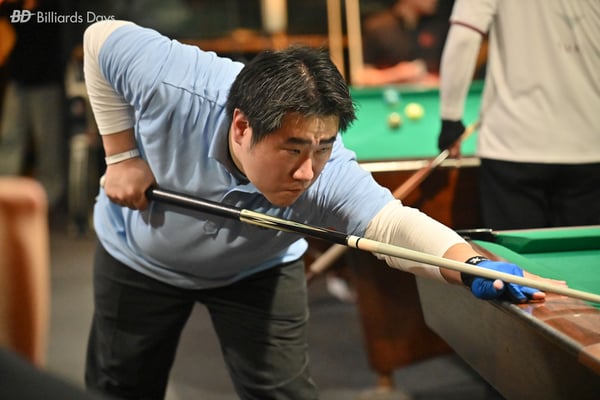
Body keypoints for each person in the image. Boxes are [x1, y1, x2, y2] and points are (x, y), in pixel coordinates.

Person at [83, 20, 550, 400]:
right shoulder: (176, 81)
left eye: (322, 148)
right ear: (241, 128)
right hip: (140, 257)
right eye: (292, 150)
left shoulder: (328, 173)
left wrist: (471, 264)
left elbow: (391, 224)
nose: (308, 172)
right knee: (120, 388)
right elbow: (98, 39)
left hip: (257, 270)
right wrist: (122, 156)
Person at [438, 0, 600, 230]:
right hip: (591, 148)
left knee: (512, 253)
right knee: (582, 254)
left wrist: (450, 119)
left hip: (513, 146)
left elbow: (463, 39)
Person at [0, 0, 66, 213]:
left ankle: (49, 200)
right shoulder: (12, 7)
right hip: (18, 80)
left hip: (46, 82)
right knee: (9, 138)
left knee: (48, 142)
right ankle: (4, 193)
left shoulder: (52, 7)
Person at [355, 0, 449, 86]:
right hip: (389, 96)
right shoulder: (379, 28)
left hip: (431, 96)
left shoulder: (440, 27)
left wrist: (432, 80)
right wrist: (396, 74)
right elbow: (360, 76)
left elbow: (451, 73)